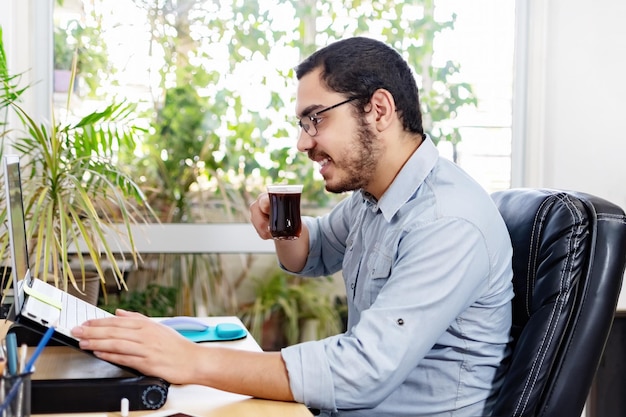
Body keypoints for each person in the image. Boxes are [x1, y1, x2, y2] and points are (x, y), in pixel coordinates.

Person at [71, 37, 514, 416]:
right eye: (302, 124)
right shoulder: (374, 199)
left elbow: (363, 370)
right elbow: (313, 252)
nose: (304, 142)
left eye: (315, 119)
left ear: (379, 110)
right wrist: (285, 226)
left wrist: (192, 361)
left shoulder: (446, 221)